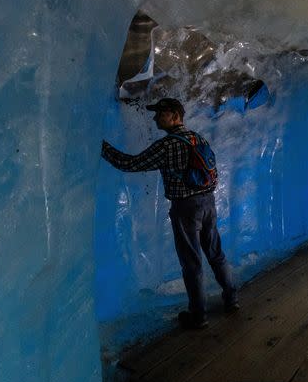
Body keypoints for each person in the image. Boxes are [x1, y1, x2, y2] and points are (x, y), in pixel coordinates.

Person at [101, 97, 238, 329]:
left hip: (185, 208)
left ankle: (198, 315)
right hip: (208, 202)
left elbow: (130, 164)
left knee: (191, 262)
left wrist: (102, 147)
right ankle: (231, 298)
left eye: (161, 113)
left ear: (175, 115)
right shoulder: (198, 138)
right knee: (215, 253)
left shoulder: (167, 145)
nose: (155, 117)